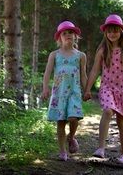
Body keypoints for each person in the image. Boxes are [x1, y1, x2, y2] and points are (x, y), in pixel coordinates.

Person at [83, 14, 123, 165]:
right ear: (105, 33)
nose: (112, 34)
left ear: (121, 31)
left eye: (115, 30)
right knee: (108, 111)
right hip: (107, 87)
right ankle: (101, 148)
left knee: (121, 120)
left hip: (122, 89)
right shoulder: (102, 50)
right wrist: (87, 89)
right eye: (109, 31)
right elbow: (95, 70)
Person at [42, 20, 87, 161]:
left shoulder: (80, 55)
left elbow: (83, 75)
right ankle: (62, 151)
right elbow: (47, 73)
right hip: (59, 93)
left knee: (74, 118)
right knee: (61, 121)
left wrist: (87, 90)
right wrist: (45, 88)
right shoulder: (54, 55)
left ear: (75, 36)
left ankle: (71, 136)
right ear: (59, 38)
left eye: (71, 33)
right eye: (64, 33)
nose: (68, 35)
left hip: (74, 92)